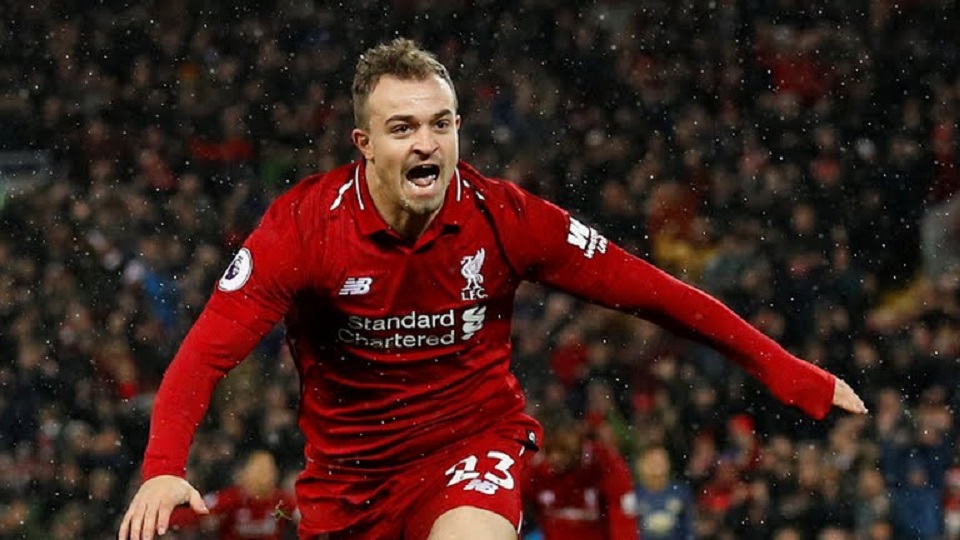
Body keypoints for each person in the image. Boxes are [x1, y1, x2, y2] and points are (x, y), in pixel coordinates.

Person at [119, 38, 867, 540]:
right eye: (403, 128)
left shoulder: (505, 218)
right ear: (364, 144)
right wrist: (162, 470)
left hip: (471, 446)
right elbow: (206, 352)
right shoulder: (303, 229)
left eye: (441, 124)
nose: (426, 143)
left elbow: (652, 291)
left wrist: (787, 371)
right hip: (347, 485)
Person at [523, 416, 640, 540]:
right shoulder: (533, 466)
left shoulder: (604, 462)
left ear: (579, 439)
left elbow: (624, 517)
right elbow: (514, 510)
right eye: (549, 450)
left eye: (563, 449)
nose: (555, 457)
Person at [166, 450, 297, 539]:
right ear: (247, 473)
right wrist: (165, 520)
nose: (265, 476)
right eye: (259, 471)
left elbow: (302, 515)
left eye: (269, 471)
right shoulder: (232, 497)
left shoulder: (281, 500)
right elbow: (195, 513)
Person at [634, 447, 694, 540]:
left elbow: (689, 528)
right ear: (643, 464)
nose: (657, 465)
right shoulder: (635, 494)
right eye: (653, 461)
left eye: (661, 461)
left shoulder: (681, 492)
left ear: (668, 464)